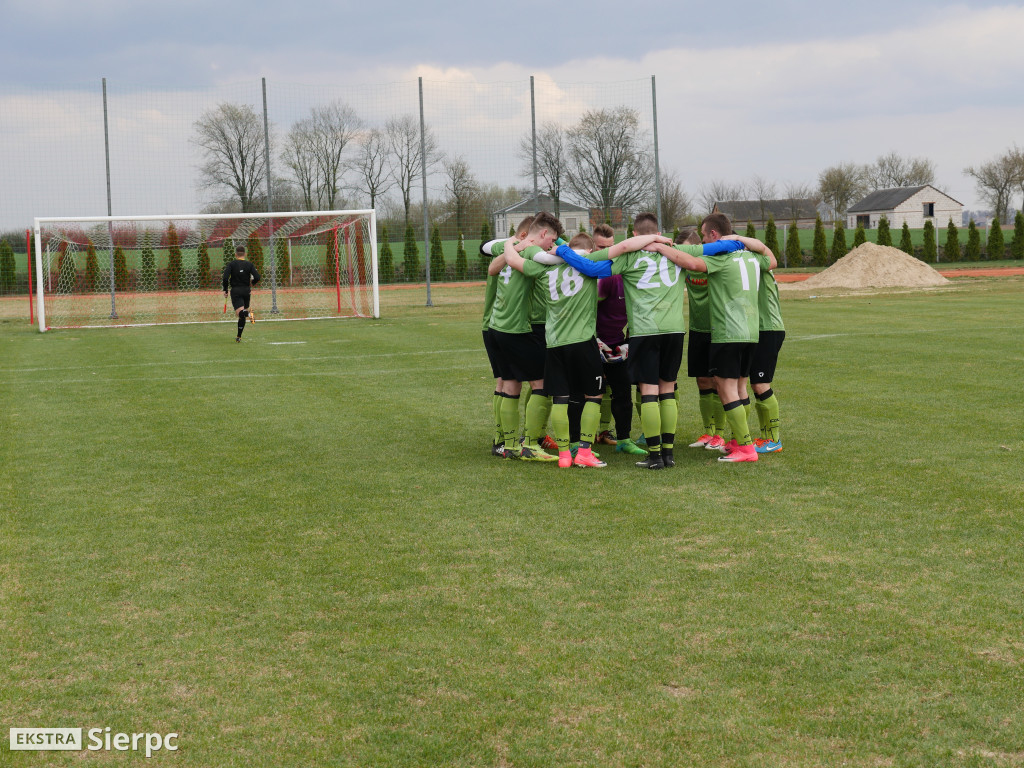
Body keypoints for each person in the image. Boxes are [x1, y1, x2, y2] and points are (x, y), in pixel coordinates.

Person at [556, 213, 745, 469]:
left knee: (649, 390)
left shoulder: (629, 257)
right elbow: (728, 245)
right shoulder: (677, 250)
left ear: (634, 235)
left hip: (645, 331)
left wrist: (563, 250)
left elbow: (590, 268)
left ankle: (655, 455)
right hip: (675, 330)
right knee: (668, 388)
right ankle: (668, 453)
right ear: (658, 232)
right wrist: (739, 240)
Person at [503, 228, 670, 467]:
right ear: (589, 250)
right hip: (582, 342)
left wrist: (512, 243)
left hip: (555, 344)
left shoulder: (543, 268)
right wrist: (655, 238)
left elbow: (511, 259)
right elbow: (623, 248)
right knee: (594, 395)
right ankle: (583, 452)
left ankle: (563, 455)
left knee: (562, 397)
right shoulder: (588, 262)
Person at [646, 214, 776, 462]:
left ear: (715, 236)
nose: (704, 239)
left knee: (726, 388)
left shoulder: (721, 259)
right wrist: (742, 240)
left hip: (728, 331)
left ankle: (745, 448)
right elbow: (772, 259)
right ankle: (738, 442)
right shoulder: (750, 258)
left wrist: (660, 246)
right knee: (738, 386)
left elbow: (692, 263)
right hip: (750, 332)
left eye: (705, 235)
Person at [701, 216, 785, 454]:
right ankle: (744, 438)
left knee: (760, 384)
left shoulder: (755, 260)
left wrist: (738, 239)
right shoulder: (748, 260)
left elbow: (770, 256)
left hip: (766, 327)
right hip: (751, 328)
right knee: (744, 385)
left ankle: (773, 439)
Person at [484, 212, 564, 460]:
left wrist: (510, 245)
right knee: (541, 383)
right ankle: (531, 444)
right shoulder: (531, 252)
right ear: (542, 234)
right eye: (551, 240)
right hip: (519, 329)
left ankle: (507, 444)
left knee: (509, 382)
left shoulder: (513, 247)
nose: (552, 245)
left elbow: (492, 266)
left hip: (498, 326)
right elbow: (549, 261)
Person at [481, 216, 534, 456]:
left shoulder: (501, 248)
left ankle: (500, 437)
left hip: (491, 324)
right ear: (524, 236)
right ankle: (506, 440)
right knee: (511, 381)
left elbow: (484, 247)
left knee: (503, 381)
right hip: (504, 325)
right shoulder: (519, 252)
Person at [676, 227, 729, 452]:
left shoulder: (713, 264)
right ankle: (708, 432)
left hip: (718, 330)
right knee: (702, 381)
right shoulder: (683, 268)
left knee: (720, 383)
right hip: (697, 329)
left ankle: (720, 434)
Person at [222, 245, 260, 342]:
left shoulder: (231, 264)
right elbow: (257, 277)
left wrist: (225, 290)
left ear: (235, 254)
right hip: (246, 291)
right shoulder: (249, 264)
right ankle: (239, 336)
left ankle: (249, 314)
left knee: (240, 313)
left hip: (236, 291)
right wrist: (253, 283)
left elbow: (225, 278)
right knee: (241, 315)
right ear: (245, 254)